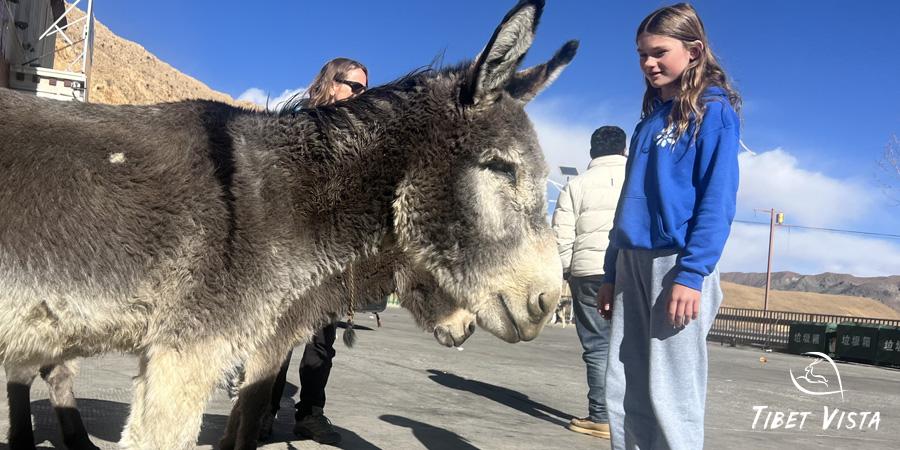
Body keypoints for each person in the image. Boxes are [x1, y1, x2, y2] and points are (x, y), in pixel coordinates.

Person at [597, 4, 741, 449]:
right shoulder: (649, 122)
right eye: (641, 54)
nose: (647, 63)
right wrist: (610, 270)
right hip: (632, 263)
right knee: (626, 384)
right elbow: (628, 204)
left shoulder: (712, 112)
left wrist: (693, 274)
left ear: (694, 51)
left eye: (659, 52)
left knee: (672, 388)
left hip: (675, 266)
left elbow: (717, 199)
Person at [266, 57, 368, 445]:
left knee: (321, 343)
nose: (360, 94)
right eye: (353, 86)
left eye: (364, 89)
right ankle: (262, 409)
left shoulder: (361, 135)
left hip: (334, 253)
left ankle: (310, 413)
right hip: (291, 249)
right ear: (330, 83)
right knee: (276, 337)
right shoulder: (296, 123)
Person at [551, 126, 627, 439]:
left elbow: (561, 234)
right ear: (624, 150)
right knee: (630, 344)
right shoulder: (638, 178)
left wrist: (569, 269)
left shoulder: (575, 185)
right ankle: (629, 415)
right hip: (631, 270)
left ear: (592, 152)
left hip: (589, 272)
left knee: (597, 344)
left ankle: (601, 416)